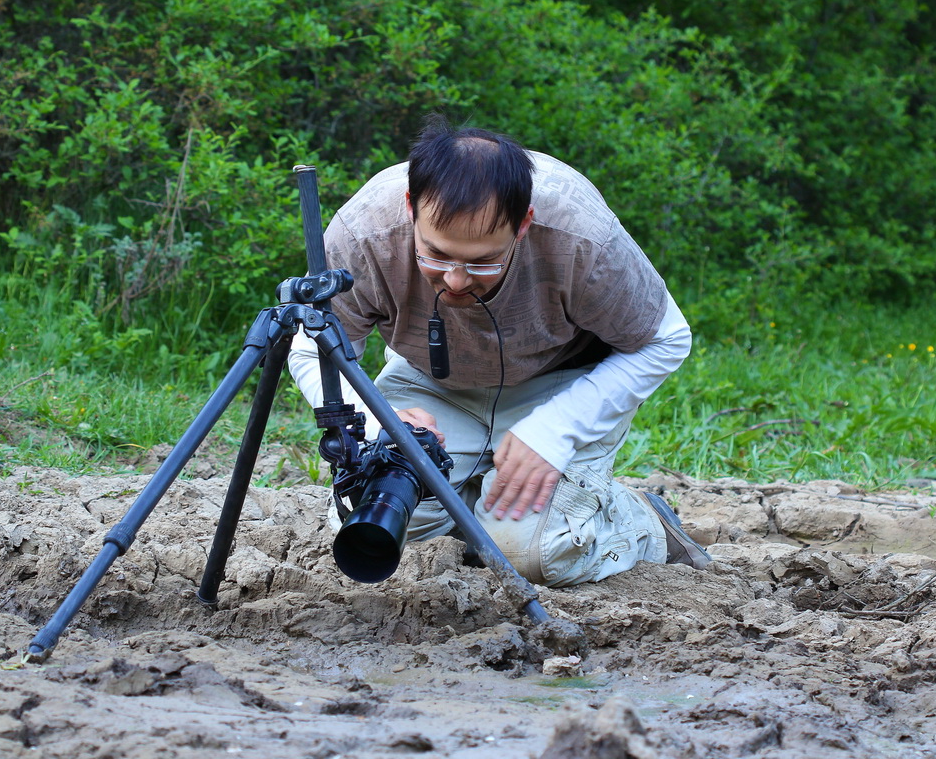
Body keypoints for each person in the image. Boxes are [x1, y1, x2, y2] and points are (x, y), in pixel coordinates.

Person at [289, 116, 709, 587]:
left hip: (558, 385)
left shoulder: (582, 234)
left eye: (483, 261)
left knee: (535, 556)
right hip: (432, 381)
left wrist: (555, 430)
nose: (455, 280)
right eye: (436, 255)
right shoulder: (364, 232)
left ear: (524, 223)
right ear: (410, 208)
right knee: (377, 524)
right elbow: (309, 344)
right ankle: (484, 505)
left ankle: (642, 520)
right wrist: (377, 419)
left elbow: (666, 339)